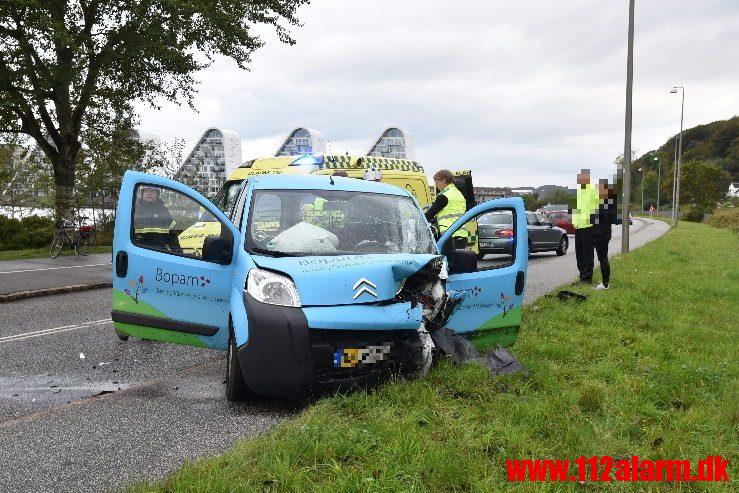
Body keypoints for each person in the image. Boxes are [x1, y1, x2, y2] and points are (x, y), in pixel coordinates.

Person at [572, 169, 600, 283]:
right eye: (579, 178)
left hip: (588, 226)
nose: (580, 180)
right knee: (579, 253)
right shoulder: (579, 191)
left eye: (583, 178)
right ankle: (582, 276)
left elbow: (600, 207)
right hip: (578, 227)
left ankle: (587, 278)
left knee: (587, 253)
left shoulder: (593, 190)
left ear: (587, 178)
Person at [133, 185, 180, 252]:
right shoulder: (134, 209)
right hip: (138, 251)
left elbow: (172, 235)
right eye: (146, 191)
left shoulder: (163, 210)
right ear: (142, 193)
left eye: (152, 191)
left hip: (159, 253)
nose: (149, 193)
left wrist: (178, 254)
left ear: (157, 194)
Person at [592, 180, 618, 290]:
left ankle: (605, 284)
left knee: (602, 258)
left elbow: (597, 218)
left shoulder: (605, 204)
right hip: (603, 233)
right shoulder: (609, 203)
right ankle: (605, 280)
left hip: (601, 234)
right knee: (603, 258)